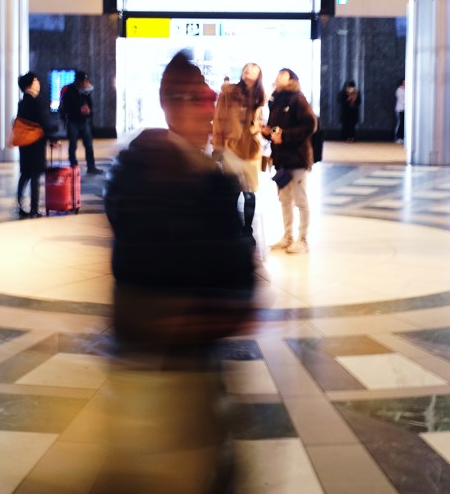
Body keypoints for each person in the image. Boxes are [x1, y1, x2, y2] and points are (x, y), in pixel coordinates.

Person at [102, 51, 256, 493]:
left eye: (208, 100)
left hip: (191, 348)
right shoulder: (147, 170)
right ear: (169, 105)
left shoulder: (208, 174)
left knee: (201, 449)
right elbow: (140, 258)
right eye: (194, 99)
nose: (207, 110)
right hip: (162, 351)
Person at [263, 68, 318, 254]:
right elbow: (276, 129)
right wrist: (268, 132)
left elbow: (311, 124)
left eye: (282, 75)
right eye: (277, 74)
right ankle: (287, 236)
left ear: (291, 79)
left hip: (298, 158)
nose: (277, 77)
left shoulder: (297, 99)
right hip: (282, 159)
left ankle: (303, 240)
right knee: (285, 200)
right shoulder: (276, 100)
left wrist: (285, 136)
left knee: (300, 200)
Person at [212, 62, 265, 239]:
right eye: (246, 67)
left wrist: (258, 127)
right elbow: (218, 119)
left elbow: (264, 123)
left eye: (253, 67)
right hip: (231, 148)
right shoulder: (229, 93)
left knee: (250, 191)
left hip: (251, 149)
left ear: (259, 74)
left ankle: (247, 230)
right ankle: (231, 228)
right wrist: (218, 146)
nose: (248, 69)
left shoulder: (260, 97)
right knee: (233, 190)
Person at [15, 72, 57, 218]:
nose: (38, 83)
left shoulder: (22, 103)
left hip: (24, 143)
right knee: (34, 176)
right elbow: (43, 123)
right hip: (35, 144)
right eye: (36, 81)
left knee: (25, 174)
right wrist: (52, 137)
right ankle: (34, 209)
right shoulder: (35, 102)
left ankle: (20, 204)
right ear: (29, 85)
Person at [60, 71, 102, 175]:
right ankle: (73, 166)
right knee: (73, 145)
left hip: (84, 121)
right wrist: (79, 110)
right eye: (84, 81)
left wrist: (89, 111)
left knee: (88, 145)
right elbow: (66, 108)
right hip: (73, 121)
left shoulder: (86, 90)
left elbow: (89, 104)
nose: (86, 83)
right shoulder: (68, 90)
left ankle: (91, 167)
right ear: (78, 81)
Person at [394, 78, 406, 143]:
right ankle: (398, 137)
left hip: (406, 109)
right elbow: (402, 100)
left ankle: (403, 137)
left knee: (404, 124)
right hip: (400, 109)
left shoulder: (408, 90)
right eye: (404, 82)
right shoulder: (399, 90)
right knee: (400, 123)